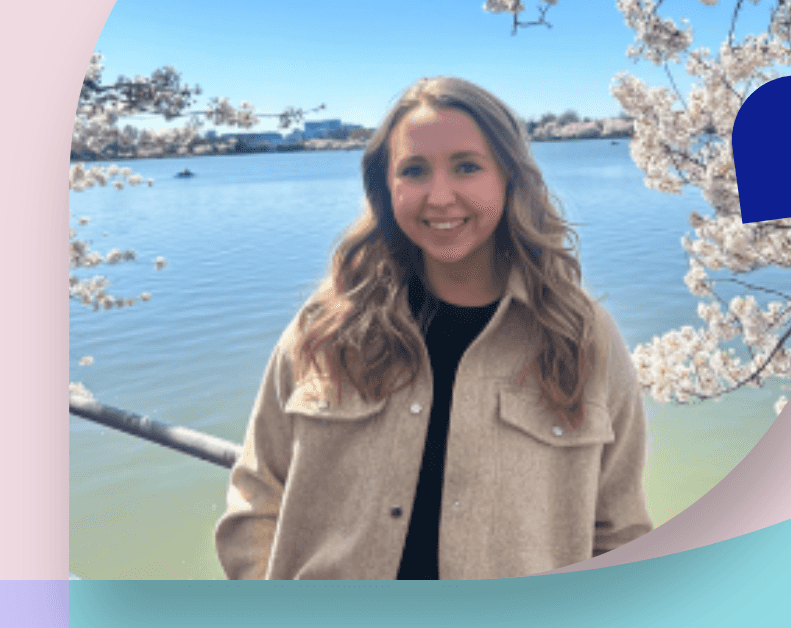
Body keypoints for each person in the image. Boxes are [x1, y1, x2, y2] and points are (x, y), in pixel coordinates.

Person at [215, 77, 652, 579]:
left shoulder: (580, 336)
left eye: (467, 167)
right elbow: (258, 492)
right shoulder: (327, 325)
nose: (439, 197)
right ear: (387, 186)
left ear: (509, 177)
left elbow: (619, 532)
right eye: (414, 171)